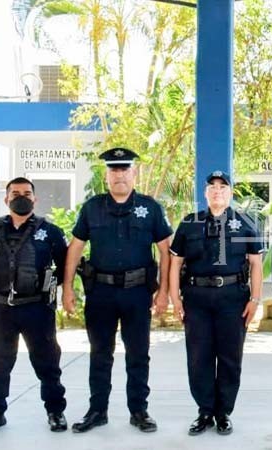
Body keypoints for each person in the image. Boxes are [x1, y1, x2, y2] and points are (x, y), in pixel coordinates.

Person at [62, 148, 172, 433]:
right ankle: (97, 410)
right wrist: (67, 289)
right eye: (114, 170)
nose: (119, 174)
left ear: (134, 173)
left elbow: (165, 250)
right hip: (101, 293)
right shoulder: (92, 208)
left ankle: (139, 411)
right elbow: (75, 248)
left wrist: (163, 292)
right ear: (106, 175)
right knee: (100, 353)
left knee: (138, 353)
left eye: (124, 169)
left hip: (137, 293)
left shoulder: (150, 207)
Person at [169, 170, 264, 436]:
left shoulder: (245, 223)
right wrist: (175, 298)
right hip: (196, 299)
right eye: (212, 187)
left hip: (233, 299)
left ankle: (223, 413)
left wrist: (255, 299)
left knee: (230, 357)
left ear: (230, 193)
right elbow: (176, 263)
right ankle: (204, 411)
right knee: (199, 357)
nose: (217, 191)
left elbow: (256, 264)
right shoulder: (190, 223)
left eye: (223, 187)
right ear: (205, 193)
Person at [0, 177, 68, 434]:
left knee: (48, 362)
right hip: (2, 308)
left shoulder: (50, 232)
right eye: (15, 193)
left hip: (37, 307)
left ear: (35, 199)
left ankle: (55, 411)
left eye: (26, 193)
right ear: (6, 199)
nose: (21, 197)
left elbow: (64, 265)